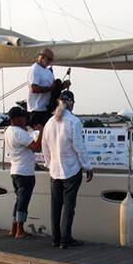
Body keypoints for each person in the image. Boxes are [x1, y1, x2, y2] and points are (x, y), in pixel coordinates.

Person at [41, 90, 93, 249]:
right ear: (71, 103)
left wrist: (49, 164)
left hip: (54, 171)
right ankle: (66, 239)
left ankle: (56, 239)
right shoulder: (74, 122)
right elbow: (79, 147)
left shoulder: (49, 122)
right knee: (69, 207)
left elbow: (45, 147)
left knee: (55, 206)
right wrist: (88, 166)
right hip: (71, 170)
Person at [4, 106, 43, 238]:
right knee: (23, 201)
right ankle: (20, 231)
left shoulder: (8, 130)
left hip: (14, 170)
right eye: (22, 117)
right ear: (15, 119)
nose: (25, 119)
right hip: (25, 172)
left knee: (18, 200)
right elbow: (37, 148)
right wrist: (41, 131)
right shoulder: (19, 133)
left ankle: (14, 229)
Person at [28, 48, 70, 128]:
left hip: (48, 109)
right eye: (49, 59)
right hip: (37, 110)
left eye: (51, 60)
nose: (50, 61)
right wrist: (50, 88)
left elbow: (53, 89)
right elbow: (34, 88)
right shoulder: (35, 70)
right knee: (39, 135)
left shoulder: (47, 71)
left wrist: (63, 86)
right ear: (42, 57)